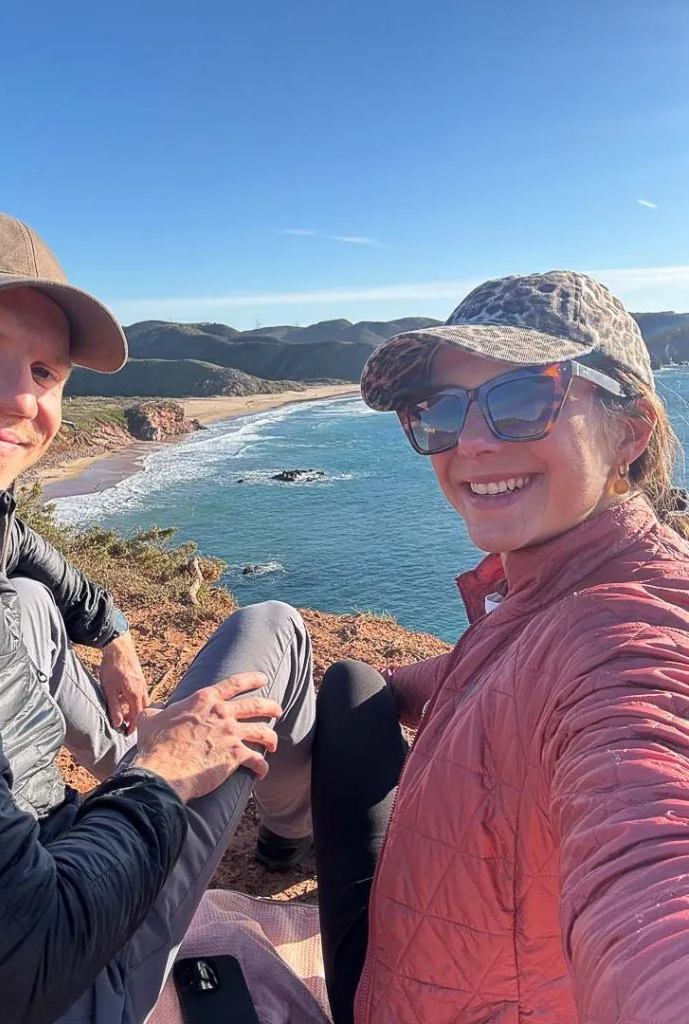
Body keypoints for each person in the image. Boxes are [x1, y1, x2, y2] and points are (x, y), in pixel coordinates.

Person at [0, 207, 315, 1024]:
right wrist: (162, 775)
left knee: (31, 600)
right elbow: (19, 967)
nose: (15, 396)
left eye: (44, 371)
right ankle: (292, 833)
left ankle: (138, 771)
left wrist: (110, 628)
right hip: (65, 975)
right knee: (273, 625)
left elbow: (13, 547)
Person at [311, 270, 689, 1023]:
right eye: (440, 412)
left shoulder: (625, 633)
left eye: (523, 398)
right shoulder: (543, 590)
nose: (471, 443)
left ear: (631, 430)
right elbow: (486, 671)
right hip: (404, 973)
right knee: (352, 684)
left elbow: (646, 858)